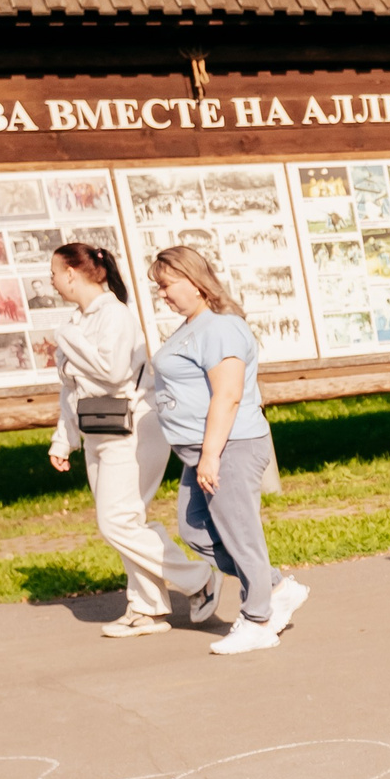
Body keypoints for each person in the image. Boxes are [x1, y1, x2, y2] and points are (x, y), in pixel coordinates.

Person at [46, 242, 220, 640]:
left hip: (134, 429)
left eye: (53, 273)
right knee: (127, 520)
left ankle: (198, 579)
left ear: (71, 273)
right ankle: (147, 608)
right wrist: (63, 439)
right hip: (98, 431)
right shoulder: (77, 321)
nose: (51, 281)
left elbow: (112, 372)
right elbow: (71, 389)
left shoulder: (114, 316)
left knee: (117, 522)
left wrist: (66, 338)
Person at [147, 246, 308, 656]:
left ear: (194, 282)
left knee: (240, 535)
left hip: (228, 446)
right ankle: (275, 587)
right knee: (195, 529)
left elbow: (229, 394)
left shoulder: (220, 328)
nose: (161, 294)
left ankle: (258, 620)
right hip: (203, 449)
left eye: (166, 285)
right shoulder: (193, 326)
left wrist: (211, 455)